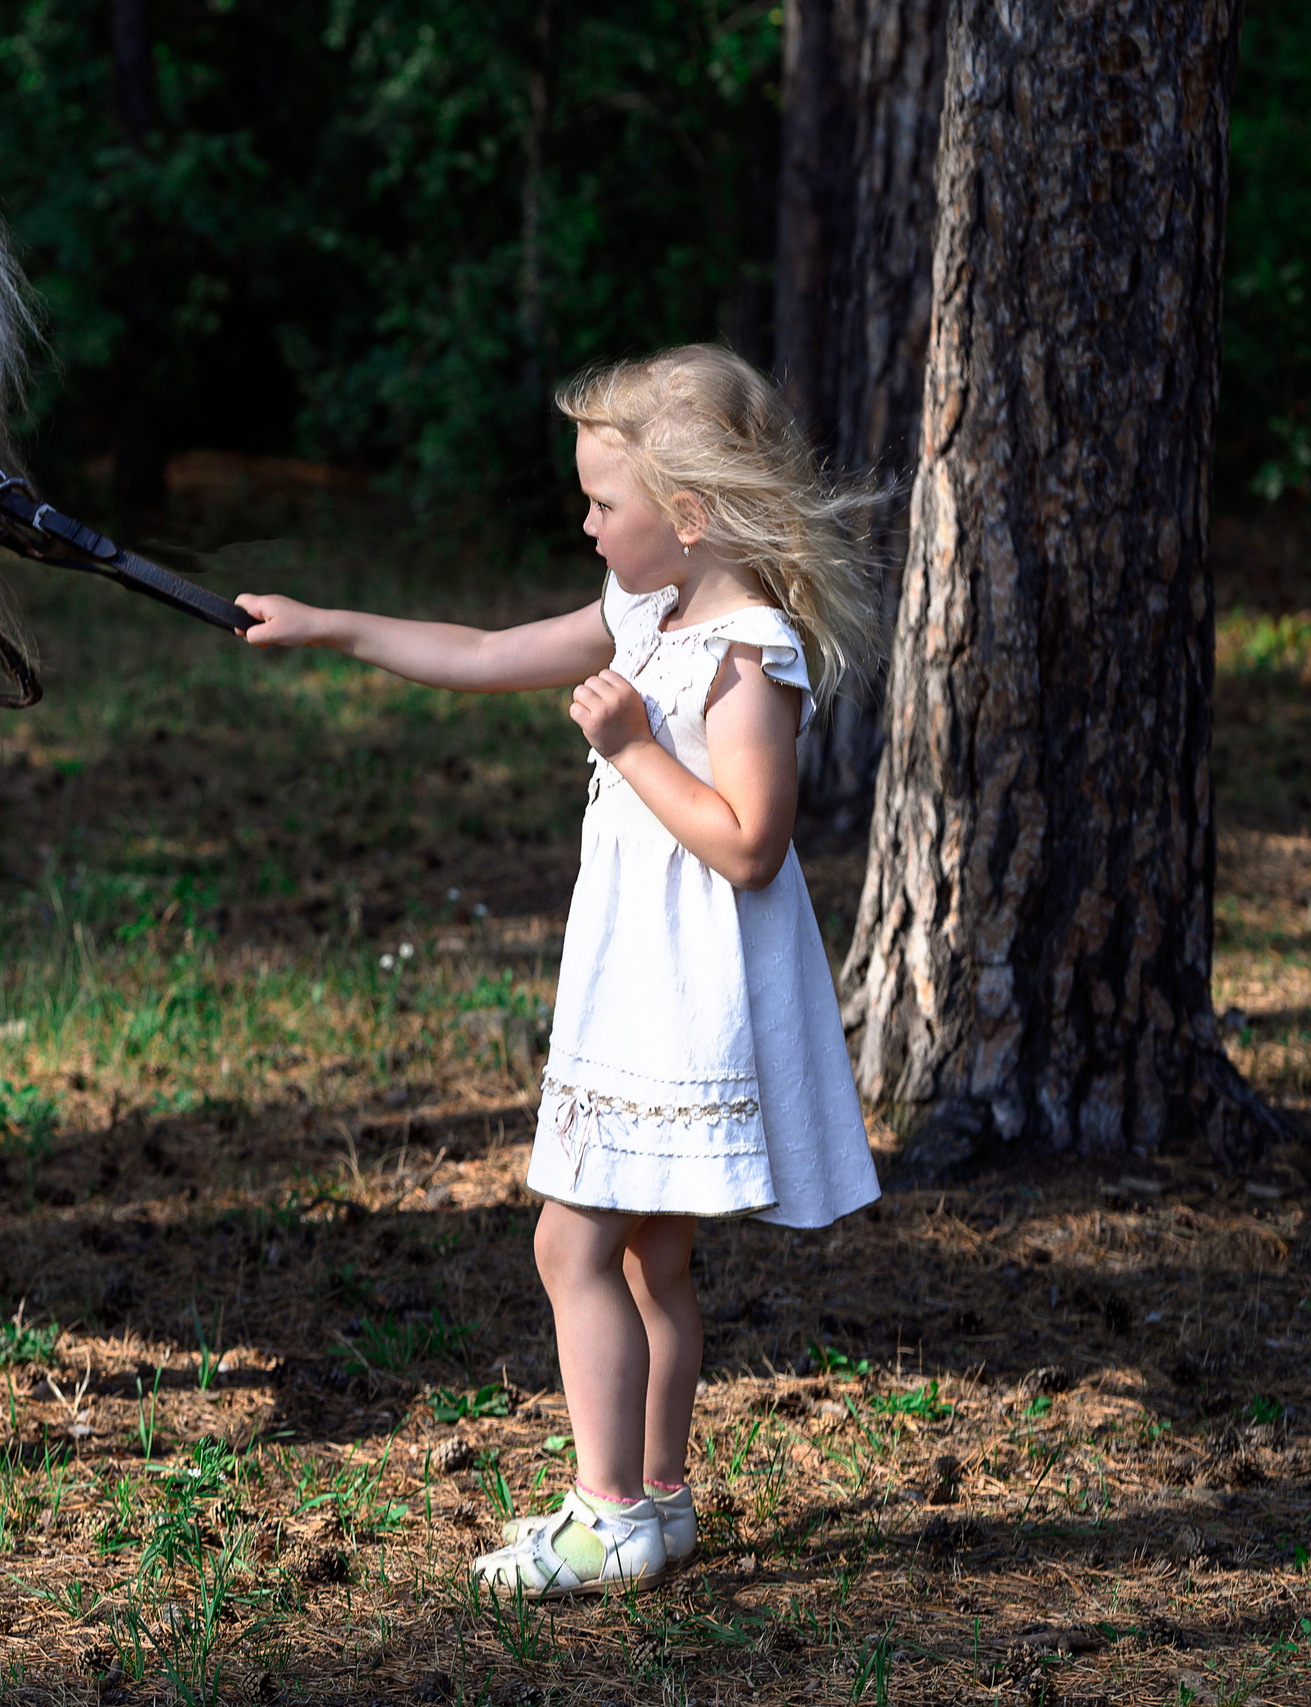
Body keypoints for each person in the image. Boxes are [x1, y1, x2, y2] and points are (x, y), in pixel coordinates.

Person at [234, 345, 884, 1597]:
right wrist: (330, 626)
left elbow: (750, 845)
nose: (585, 524)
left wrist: (633, 746)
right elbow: (487, 651)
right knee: (645, 1261)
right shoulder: (647, 612)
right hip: (636, 982)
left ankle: (607, 1513)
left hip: (682, 1000)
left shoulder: (746, 655)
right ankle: (660, 1503)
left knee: (568, 1248)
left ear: (686, 514)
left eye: (602, 503)